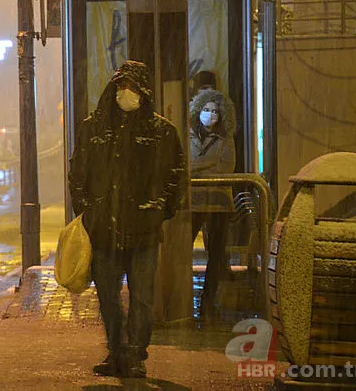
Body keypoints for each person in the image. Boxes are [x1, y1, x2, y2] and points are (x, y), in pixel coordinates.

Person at [68, 60, 185, 379]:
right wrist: (87, 209)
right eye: (121, 86)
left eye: (132, 87)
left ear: (143, 92)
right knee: (107, 297)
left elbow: (176, 176)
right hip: (104, 229)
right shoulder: (94, 127)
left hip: (143, 230)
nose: (126, 93)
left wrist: (159, 210)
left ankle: (134, 354)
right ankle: (118, 352)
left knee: (142, 298)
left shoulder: (161, 131)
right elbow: (78, 172)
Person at [188, 88, 236, 320]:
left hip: (219, 202)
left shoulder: (227, 138)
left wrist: (197, 167)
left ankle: (208, 302)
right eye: (206, 109)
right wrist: (207, 165)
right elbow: (185, 165)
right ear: (198, 110)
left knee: (216, 254)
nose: (210, 114)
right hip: (194, 201)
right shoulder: (188, 135)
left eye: (215, 111)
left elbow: (225, 168)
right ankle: (182, 298)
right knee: (182, 249)